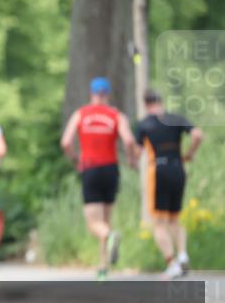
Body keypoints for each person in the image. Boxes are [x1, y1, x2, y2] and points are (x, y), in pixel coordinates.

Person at [60, 77, 137, 281]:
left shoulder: (80, 114)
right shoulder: (116, 115)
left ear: (91, 93)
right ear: (108, 94)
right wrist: (132, 159)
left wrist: (75, 159)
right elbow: (129, 140)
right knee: (105, 220)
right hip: (111, 170)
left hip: (91, 168)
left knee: (94, 223)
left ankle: (110, 238)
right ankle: (103, 268)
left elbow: (66, 142)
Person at [133, 89, 203, 279]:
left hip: (159, 171)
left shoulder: (144, 124)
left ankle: (172, 263)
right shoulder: (176, 118)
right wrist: (190, 154)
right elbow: (197, 135)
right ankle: (183, 255)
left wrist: (132, 160)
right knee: (174, 218)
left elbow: (138, 151)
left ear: (145, 103)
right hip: (178, 169)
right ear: (161, 101)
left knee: (158, 222)